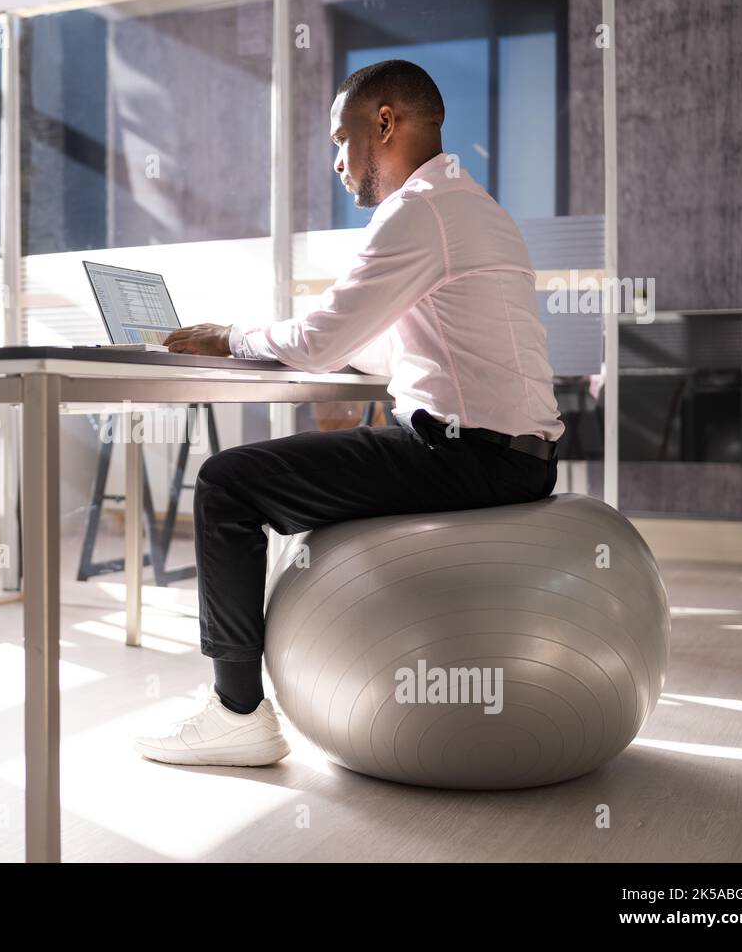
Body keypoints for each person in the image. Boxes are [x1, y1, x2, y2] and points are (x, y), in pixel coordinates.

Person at [134, 59, 565, 767]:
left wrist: (230, 337)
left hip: (468, 457)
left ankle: (236, 712)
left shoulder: (419, 210)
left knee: (226, 485)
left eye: (341, 140)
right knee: (311, 461)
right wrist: (329, 353)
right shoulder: (474, 207)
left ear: (385, 122)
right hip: (516, 455)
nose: (337, 163)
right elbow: (405, 353)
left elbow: (321, 337)